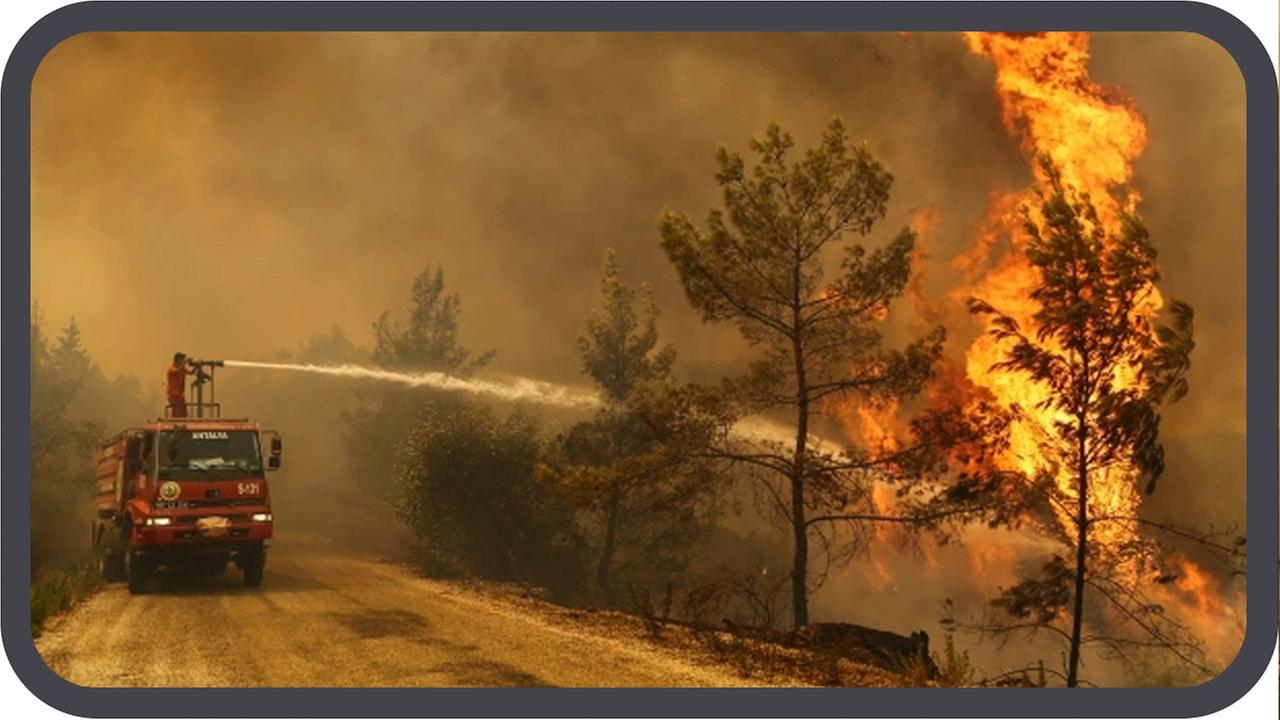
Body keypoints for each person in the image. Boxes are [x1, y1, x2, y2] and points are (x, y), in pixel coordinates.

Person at [166, 352, 194, 417]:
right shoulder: (171, 368)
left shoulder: (182, 369)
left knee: (183, 411)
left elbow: (191, 372)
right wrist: (185, 362)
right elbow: (176, 370)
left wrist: (197, 366)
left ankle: (182, 424)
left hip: (180, 395)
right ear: (178, 359)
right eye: (182, 359)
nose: (183, 361)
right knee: (177, 411)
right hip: (173, 394)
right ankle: (175, 424)